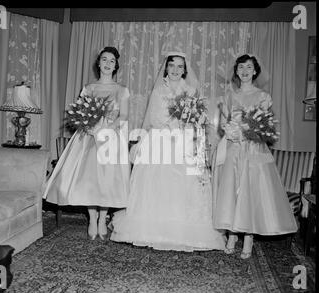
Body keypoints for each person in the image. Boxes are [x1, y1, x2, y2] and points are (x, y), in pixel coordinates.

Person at [110, 51, 225, 252]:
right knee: (157, 184)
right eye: (172, 65)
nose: (175, 70)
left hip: (183, 141)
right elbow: (151, 119)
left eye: (180, 66)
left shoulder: (190, 91)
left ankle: (183, 230)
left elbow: (196, 119)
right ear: (166, 67)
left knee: (183, 185)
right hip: (159, 141)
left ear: (185, 70)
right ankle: (152, 229)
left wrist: (188, 132)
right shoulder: (157, 91)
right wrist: (155, 133)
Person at [211, 54, 298, 259]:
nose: (244, 71)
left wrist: (249, 131)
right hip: (234, 149)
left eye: (249, 67)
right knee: (232, 191)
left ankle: (248, 236)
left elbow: (266, 127)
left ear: (255, 71)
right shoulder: (230, 96)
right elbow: (225, 124)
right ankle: (232, 234)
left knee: (250, 192)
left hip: (253, 150)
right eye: (241, 67)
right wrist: (228, 129)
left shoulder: (263, 97)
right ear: (236, 71)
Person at [43, 47, 130, 241]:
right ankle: (92, 218)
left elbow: (123, 116)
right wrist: (89, 127)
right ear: (98, 63)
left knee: (106, 180)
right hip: (88, 138)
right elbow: (80, 113)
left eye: (112, 61)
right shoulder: (88, 88)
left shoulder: (121, 90)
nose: (107, 64)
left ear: (116, 66)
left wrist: (106, 130)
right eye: (104, 60)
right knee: (89, 180)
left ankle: (102, 218)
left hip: (109, 139)